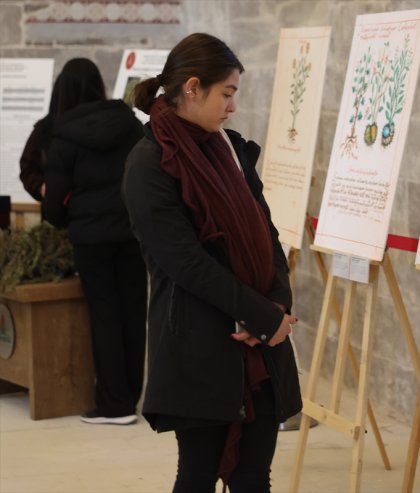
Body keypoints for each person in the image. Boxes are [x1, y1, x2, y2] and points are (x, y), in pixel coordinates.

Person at [122, 33, 301, 492]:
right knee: (198, 476)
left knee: (253, 477)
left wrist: (276, 305)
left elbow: (266, 233)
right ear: (193, 87)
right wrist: (259, 315)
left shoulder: (233, 150)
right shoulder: (148, 164)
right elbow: (183, 261)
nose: (232, 106)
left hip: (260, 343)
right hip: (199, 340)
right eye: (227, 93)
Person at [41, 58, 147, 425]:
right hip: (132, 234)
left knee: (105, 314)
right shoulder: (132, 125)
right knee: (134, 313)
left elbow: (54, 199)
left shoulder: (65, 136)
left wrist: (58, 217)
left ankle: (114, 406)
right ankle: (132, 397)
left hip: (90, 238)